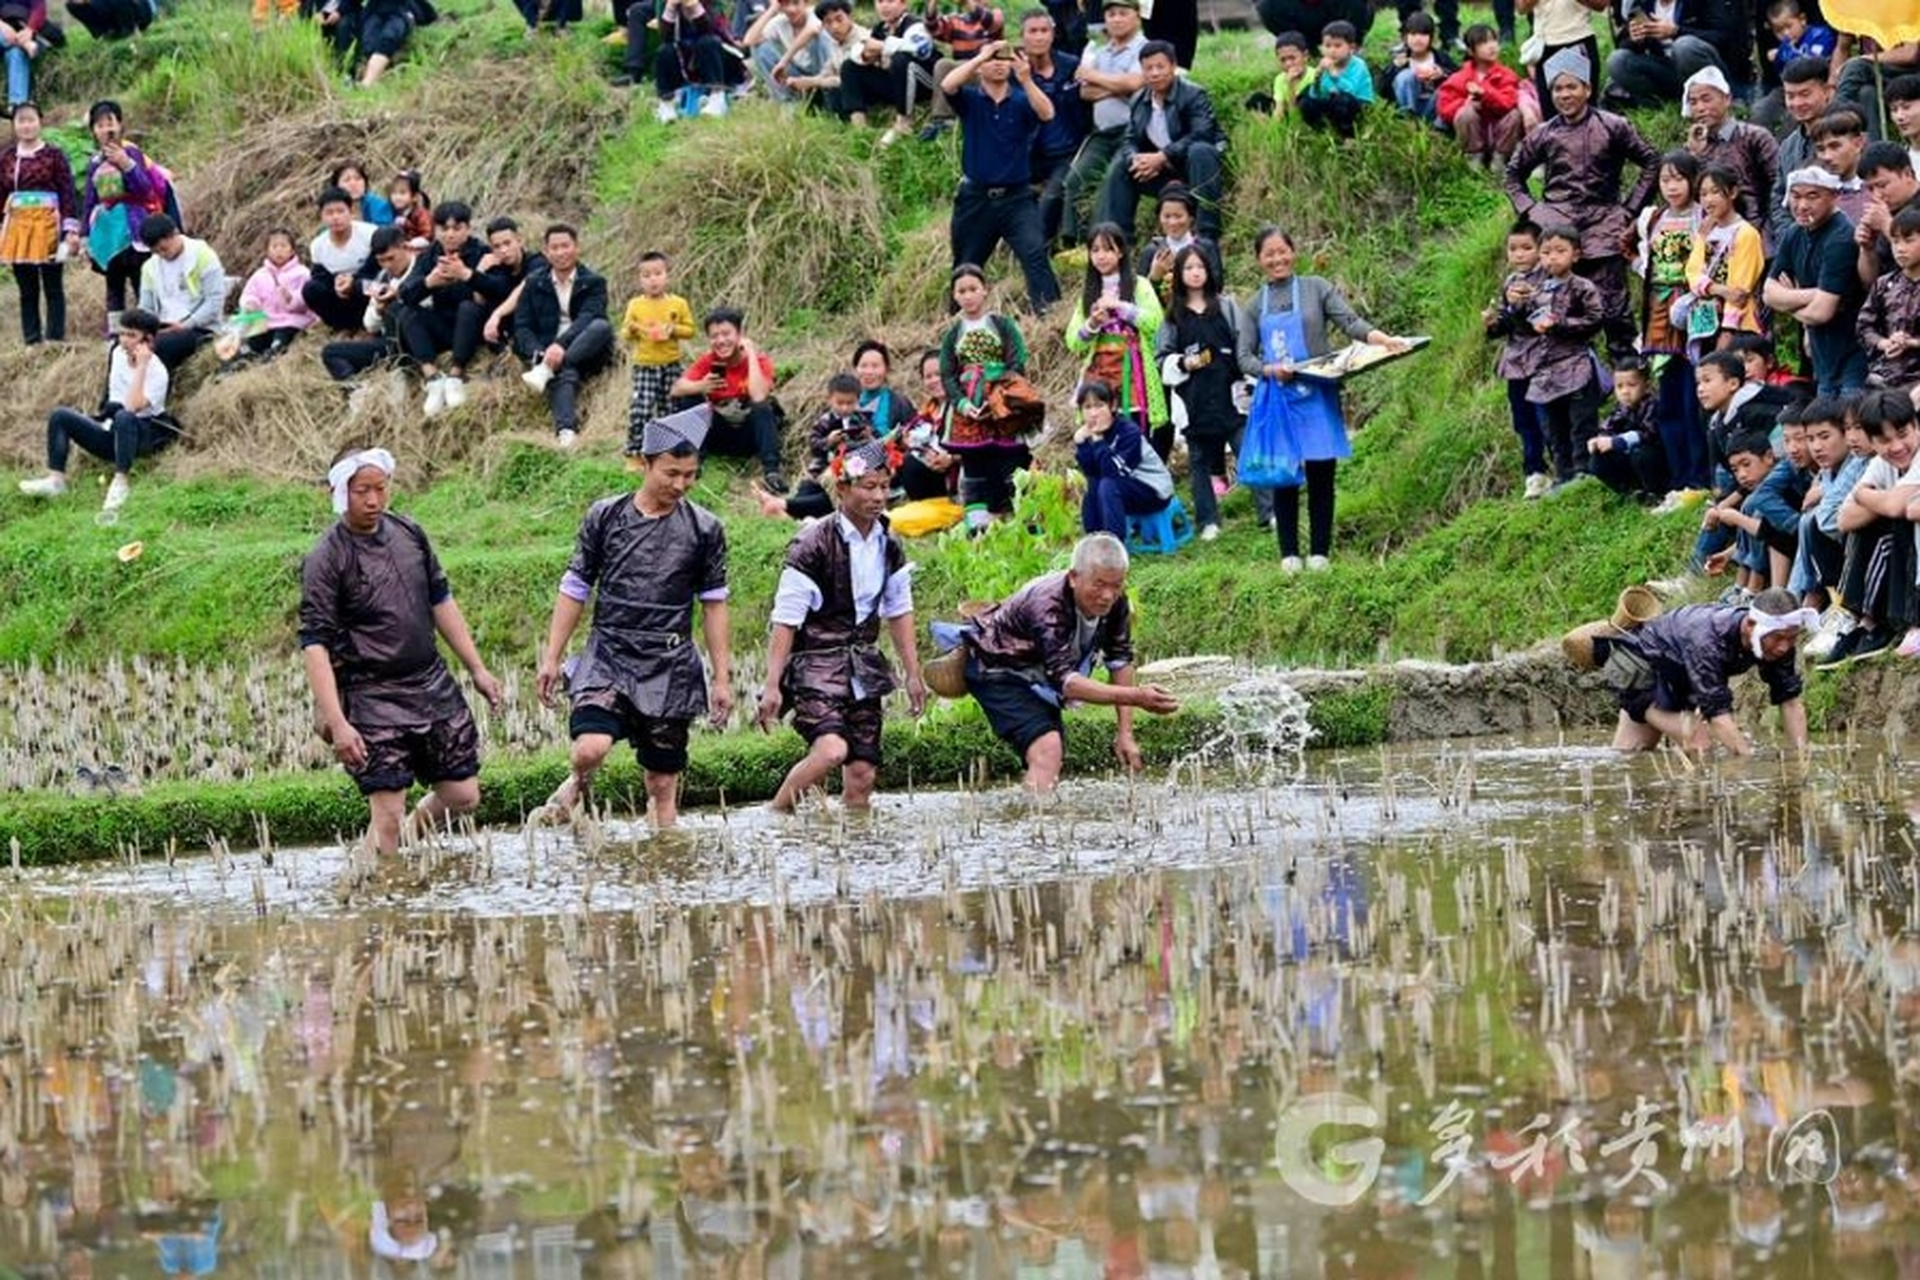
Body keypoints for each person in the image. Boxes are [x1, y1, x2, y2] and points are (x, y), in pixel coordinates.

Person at [536, 406, 733, 829]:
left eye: (690, 474)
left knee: (663, 785)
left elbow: (714, 603)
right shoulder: (605, 516)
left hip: (670, 660)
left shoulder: (705, 529)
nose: (681, 484)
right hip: (611, 652)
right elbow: (575, 587)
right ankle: (578, 780)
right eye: (670, 473)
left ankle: (662, 865)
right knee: (590, 747)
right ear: (645, 464)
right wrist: (552, 657)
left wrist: (721, 677)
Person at [300, 449, 503, 856]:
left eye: (380, 489)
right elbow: (315, 644)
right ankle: (383, 898)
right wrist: (338, 723)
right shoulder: (327, 557)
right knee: (387, 813)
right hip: (370, 692)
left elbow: (441, 601)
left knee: (464, 796)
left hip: (428, 682)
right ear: (340, 492)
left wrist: (477, 669)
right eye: (362, 491)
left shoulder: (409, 533)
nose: (373, 500)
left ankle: (407, 841)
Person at [757, 437, 926, 812]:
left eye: (884, 487)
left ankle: (853, 848)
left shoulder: (888, 542)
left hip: (864, 664)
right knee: (832, 750)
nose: (879, 496)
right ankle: (776, 814)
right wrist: (772, 684)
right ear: (843, 488)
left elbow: (899, 610)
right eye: (869, 487)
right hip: (816, 662)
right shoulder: (813, 542)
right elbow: (785, 619)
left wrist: (913, 674)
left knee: (864, 772)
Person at [1238, 226, 1408, 571]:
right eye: (1269, 254)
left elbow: (1350, 322)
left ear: (1293, 252)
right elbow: (1244, 358)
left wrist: (1383, 339)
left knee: (1321, 473)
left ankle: (1319, 554)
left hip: (1318, 393)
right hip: (1280, 400)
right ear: (1259, 260)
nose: (1277, 259)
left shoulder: (1316, 288)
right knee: (1283, 475)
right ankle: (1288, 555)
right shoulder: (1255, 305)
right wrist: (1270, 370)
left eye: (1282, 251)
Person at [957, 532, 1179, 792]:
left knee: (1050, 754)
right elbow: (1068, 684)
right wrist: (1138, 696)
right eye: (1099, 584)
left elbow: (1119, 660)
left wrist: (1125, 733)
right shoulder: (1047, 604)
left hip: (1039, 675)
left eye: (1116, 585)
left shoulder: (1116, 603)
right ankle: (1036, 827)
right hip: (997, 668)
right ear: (1074, 577)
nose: (1107, 595)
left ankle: (1036, 816)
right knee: (1047, 749)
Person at [1505, 48, 1659, 360]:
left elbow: (1652, 162)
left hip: (1604, 227)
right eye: (1558, 89)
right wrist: (1532, 211)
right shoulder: (1544, 134)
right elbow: (1512, 174)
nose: (1565, 95)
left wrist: (1629, 210)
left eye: (1571, 87)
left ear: (1587, 89)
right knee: (1558, 310)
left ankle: (1629, 385)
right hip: (1557, 231)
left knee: (1616, 312)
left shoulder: (1613, 125)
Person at [1603, 588, 1810, 755]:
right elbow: (1717, 716)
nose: (1784, 647)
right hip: (1640, 670)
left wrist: (1800, 758)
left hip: (1679, 676)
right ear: (1750, 625)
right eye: (1778, 637)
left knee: (1633, 755)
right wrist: (1747, 763)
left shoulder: (1778, 644)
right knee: (1696, 741)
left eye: (1791, 638)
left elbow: (1790, 702)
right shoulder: (1708, 640)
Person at [18, 307, 176, 514]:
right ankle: (56, 480)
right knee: (60, 416)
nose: (124, 340)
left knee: (124, 417)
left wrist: (141, 367)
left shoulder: (157, 372)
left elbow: (131, 407)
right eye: (122, 333)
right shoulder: (118, 354)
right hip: (112, 432)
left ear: (148, 341)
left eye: (132, 335)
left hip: (141, 435)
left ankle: (121, 481)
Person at [942, 37, 1061, 315]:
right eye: (993, 60)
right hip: (976, 198)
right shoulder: (971, 100)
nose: (998, 64)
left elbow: (1047, 113)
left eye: (1003, 59)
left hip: (1017, 198)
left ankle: (1050, 317)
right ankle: (956, 323)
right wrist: (979, 58)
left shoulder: (1021, 100)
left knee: (1034, 254)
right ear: (982, 66)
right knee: (966, 263)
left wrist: (1027, 79)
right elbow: (948, 85)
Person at [1157, 243, 1263, 538]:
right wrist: (1182, 363)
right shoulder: (1173, 317)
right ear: (1179, 274)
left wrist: (1252, 379)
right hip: (1195, 401)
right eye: (1188, 268)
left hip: (1231, 395)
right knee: (1199, 463)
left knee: (1248, 454)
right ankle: (1208, 521)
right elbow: (1162, 360)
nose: (1195, 273)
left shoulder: (1226, 307)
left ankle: (1268, 512)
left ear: (1209, 271)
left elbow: (1247, 345)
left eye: (1199, 267)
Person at [939, 263, 1040, 530]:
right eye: (962, 291)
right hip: (968, 411)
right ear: (955, 296)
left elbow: (1017, 360)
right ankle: (978, 529)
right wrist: (962, 403)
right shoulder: (952, 336)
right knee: (974, 465)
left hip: (1003, 402)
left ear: (985, 290)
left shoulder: (1002, 325)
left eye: (973, 289)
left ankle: (1021, 523)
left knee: (1011, 461)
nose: (968, 295)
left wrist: (998, 394)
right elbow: (947, 375)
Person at [1096, 39, 1223, 244]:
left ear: (1173, 67)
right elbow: (1130, 139)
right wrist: (1137, 160)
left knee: (1201, 150)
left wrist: (1163, 157)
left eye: (1160, 67)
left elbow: (1203, 133)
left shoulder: (1193, 94)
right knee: (1122, 164)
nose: (1154, 73)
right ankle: (1118, 241)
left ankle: (1208, 234)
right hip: (1162, 174)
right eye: (1148, 68)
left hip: (1194, 171)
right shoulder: (1139, 99)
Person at [1066, 222, 1167, 460]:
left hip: (1133, 369)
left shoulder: (1139, 285)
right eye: (1095, 250)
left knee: (1133, 431)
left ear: (1120, 252)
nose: (1101, 256)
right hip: (1099, 371)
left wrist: (1122, 308)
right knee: (1100, 432)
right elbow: (1073, 342)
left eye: (1108, 249)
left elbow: (1157, 324)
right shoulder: (1088, 292)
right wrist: (1092, 324)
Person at [1764, 167, 1867, 397]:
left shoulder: (1841, 236)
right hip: (1822, 358)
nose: (1801, 205)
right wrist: (1815, 294)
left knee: (1848, 426)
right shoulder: (1794, 232)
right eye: (1796, 196)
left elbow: (1821, 312)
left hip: (1853, 357)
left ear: (1834, 196)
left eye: (1812, 196)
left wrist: (1790, 302)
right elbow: (1769, 293)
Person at [514, 224, 613, 449]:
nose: (560, 252)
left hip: (586, 348)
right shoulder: (534, 282)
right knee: (565, 371)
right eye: (554, 248)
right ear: (546, 252)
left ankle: (547, 369)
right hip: (548, 351)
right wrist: (539, 353)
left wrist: (559, 346)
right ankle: (566, 431)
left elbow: (588, 318)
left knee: (601, 326)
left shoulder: (594, 282)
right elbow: (522, 326)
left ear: (576, 248)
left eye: (565, 246)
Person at [670, 308, 786, 492]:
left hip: (750, 435)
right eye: (714, 336)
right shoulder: (709, 361)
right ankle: (693, 460)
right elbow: (676, 388)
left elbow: (759, 396)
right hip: (719, 433)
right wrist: (701, 385)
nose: (721, 341)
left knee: (763, 407)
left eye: (726, 334)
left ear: (739, 335)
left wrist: (751, 355)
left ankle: (772, 471)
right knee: (689, 398)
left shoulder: (760, 361)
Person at [1523, 224, 1604, 485]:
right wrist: (1513, 313)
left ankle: (1586, 472)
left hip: (1576, 366)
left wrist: (1560, 323)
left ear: (1576, 255)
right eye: (1546, 252)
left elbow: (1595, 319)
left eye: (1560, 251)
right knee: (1553, 428)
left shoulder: (1582, 286)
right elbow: (1522, 326)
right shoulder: (1536, 292)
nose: (1552, 257)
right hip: (1544, 371)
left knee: (1581, 423)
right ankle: (1563, 475)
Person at [1059, 0, 1144, 248]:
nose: (1116, 19)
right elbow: (1084, 93)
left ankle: (1108, 244)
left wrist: (1095, 77)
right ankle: (1074, 243)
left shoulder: (1144, 48)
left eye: (1123, 13)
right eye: (1111, 14)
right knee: (1075, 180)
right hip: (1102, 133)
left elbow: (1135, 84)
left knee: (1111, 181)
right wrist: (1119, 86)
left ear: (1137, 16)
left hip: (1131, 133)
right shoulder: (1100, 51)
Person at [82, 100, 170, 335]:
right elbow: (90, 201)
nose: (105, 129)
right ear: (93, 131)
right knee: (113, 285)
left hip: (134, 227)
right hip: (107, 233)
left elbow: (144, 189)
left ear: (120, 125)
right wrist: (84, 237)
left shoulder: (132, 153)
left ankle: (148, 330)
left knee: (141, 280)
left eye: (109, 122)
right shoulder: (94, 163)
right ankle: (116, 334)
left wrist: (126, 163)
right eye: (99, 125)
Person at [0, 100, 80, 346]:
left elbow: (67, 191)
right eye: (21, 120)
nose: (26, 125)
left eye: (30, 119)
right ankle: (32, 339)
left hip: (48, 224)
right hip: (18, 226)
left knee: (53, 285)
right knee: (27, 288)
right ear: (14, 125)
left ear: (40, 121)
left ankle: (55, 337)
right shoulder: (6, 158)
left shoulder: (54, 155)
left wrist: (70, 229)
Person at [396, 200, 486, 416]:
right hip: (442, 324)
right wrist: (429, 283)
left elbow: (493, 289)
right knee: (407, 312)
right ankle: (433, 378)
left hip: (473, 326)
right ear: (435, 230)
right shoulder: (428, 256)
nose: (450, 235)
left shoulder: (481, 252)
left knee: (468, 307)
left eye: (457, 228)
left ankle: (456, 375)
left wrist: (466, 276)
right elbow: (405, 292)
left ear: (468, 229)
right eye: (444, 229)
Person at [1486, 219, 1551, 498]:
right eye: (1513, 248)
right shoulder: (1510, 282)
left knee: (1545, 416)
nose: (1519, 254)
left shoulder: (1547, 279)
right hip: (1514, 362)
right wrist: (1492, 323)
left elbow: (1537, 322)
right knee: (1523, 420)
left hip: (1542, 357)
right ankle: (1534, 472)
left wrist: (1520, 306)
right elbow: (1504, 326)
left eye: (1527, 247)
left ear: (1540, 249)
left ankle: (1563, 467)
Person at [754, 372, 875, 519]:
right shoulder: (824, 421)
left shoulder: (862, 420)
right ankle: (788, 510)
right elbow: (814, 445)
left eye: (849, 403)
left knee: (832, 497)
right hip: (821, 471)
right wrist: (828, 442)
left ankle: (782, 505)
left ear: (858, 400)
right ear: (830, 400)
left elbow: (873, 447)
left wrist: (868, 437)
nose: (844, 408)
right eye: (840, 403)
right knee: (807, 489)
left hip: (847, 475)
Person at [1679, 67, 1777, 234]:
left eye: (1706, 99)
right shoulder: (1694, 145)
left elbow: (1778, 186)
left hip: (1757, 230)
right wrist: (1695, 155)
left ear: (1727, 99)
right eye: (1693, 102)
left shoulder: (1755, 137)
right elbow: (1690, 197)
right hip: (1712, 233)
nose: (1700, 108)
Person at [1601, 0, 1749, 110]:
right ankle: (1660, 105)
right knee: (1617, 60)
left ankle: (1713, 101)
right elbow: (1625, 47)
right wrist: (1634, 39)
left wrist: (1676, 31)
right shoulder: (1644, 4)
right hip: (1668, 70)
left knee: (1684, 46)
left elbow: (1722, 38)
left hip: (1706, 68)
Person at [621, 250, 696, 467]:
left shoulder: (678, 304)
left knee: (669, 409)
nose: (653, 279)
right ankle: (635, 454)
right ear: (639, 279)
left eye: (657, 273)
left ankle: (667, 452)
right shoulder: (635, 305)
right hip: (645, 365)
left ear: (667, 275)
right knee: (641, 409)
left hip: (671, 363)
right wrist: (634, 329)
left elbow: (690, 330)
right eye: (646, 275)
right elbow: (625, 332)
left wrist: (673, 329)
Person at [1072, 378, 1172, 537]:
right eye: (1087, 407)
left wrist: (1098, 442)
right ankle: (1093, 538)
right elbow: (1091, 470)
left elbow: (1113, 472)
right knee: (1092, 482)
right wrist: (1081, 443)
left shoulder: (1129, 432)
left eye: (1099, 405)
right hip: (1122, 489)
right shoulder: (1090, 433)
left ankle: (1113, 543)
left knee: (1108, 484)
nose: (1093, 413)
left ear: (1112, 406)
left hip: (1152, 491)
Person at [1018, 9, 1082, 243]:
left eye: (1044, 31)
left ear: (1053, 34)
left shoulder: (1071, 65)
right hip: (1029, 152)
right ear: (1022, 37)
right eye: (1032, 31)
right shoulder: (1013, 72)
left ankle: (1039, 251)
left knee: (1052, 197)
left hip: (1067, 152)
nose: (1039, 37)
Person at [1437, 24, 1537, 169]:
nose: (1491, 46)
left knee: (1514, 114)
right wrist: (1467, 103)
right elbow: (1444, 109)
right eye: (1483, 43)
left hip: (1500, 135)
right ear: (1471, 51)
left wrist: (1485, 94)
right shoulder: (1460, 77)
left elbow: (1508, 103)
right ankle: (1474, 158)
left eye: (1493, 41)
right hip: (1474, 136)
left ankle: (1500, 160)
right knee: (1466, 113)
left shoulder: (1506, 75)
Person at [135, 214, 226, 372]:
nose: (162, 255)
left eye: (164, 249)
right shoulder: (150, 267)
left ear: (174, 234)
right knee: (122, 346)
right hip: (165, 325)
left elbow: (214, 301)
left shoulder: (203, 256)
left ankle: (157, 393)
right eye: (156, 252)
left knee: (161, 347)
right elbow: (146, 306)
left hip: (200, 328)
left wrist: (185, 325)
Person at [836, 0, 937, 130]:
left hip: (924, 83)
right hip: (898, 85)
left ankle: (904, 122)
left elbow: (921, 49)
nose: (884, 6)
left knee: (900, 59)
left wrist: (883, 46)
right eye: (879, 1)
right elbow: (858, 50)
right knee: (850, 67)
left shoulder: (915, 25)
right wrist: (866, 55)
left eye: (890, 1)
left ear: (903, 4)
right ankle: (859, 126)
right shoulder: (881, 28)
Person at [1586, 355, 1668, 500]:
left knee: (1641, 454)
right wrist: (1599, 440)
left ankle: (1655, 492)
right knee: (1597, 460)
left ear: (1647, 385)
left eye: (1631, 385)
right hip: (1629, 458)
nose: (1625, 391)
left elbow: (1650, 433)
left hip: (1654, 458)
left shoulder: (1652, 404)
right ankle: (1629, 491)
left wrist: (1618, 441)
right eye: (1620, 386)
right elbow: (1608, 427)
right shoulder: (1620, 408)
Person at [652, 0, 747, 123]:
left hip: (719, 54)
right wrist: (670, 7)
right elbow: (665, 37)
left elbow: (712, 30)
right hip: (686, 57)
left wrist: (694, 6)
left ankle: (717, 97)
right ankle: (666, 103)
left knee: (707, 42)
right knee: (664, 50)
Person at [302, 186, 379, 335]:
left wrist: (353, 281)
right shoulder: (317, 245)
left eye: (340, 211)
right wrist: (337, 284)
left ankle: (368, 324)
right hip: (339, 292)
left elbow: (377, 268)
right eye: (329, 213)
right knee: (310, 289)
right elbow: (319, 277)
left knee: (368, 285)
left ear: (351, 212)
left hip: (366, 287)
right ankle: (342, 327)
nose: (335, 217)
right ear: (321, 217)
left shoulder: (370, 234)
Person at [1859, 205, 1920, 392]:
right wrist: (1884, 342)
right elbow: (1864, 327)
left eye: (1909, 240)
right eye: (1895, 242)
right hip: (1884, 375)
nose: (1901, 249)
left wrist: (1911, 342)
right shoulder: (1884, 284)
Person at [233, 227, 315, 358]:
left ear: (292, 250)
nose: (279, 250)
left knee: (279, 343)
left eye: (283, 246)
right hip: (266, 322)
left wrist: (292, 298)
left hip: (290, 322)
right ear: (267, 251)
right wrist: (250, 303)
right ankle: (239, 362)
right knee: (252, 345)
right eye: (274, 246)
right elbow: (249, 294)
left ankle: (272, 355)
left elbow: (309, 299)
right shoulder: (260, 275)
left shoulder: (302, 273)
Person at [743, 0, 830, 105]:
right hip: (798, 76)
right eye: (786, 4)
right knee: (759, 48)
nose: (791, 9)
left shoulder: (815, 13)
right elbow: (749, 40)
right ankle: (788, 102)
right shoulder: (780, 22)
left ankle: (828, 97)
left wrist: (784, 60)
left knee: (820, 37)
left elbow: (811, 31)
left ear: (805, 3)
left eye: (796, 3)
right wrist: (772, 9)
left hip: (823, 75)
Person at [1296, 19, 1373, 136]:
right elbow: (1317, 95)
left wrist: (1333, 74)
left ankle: (1348, 136)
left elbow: (1350, 91)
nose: (1332, 51)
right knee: (1306, 100)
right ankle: (1321, 130)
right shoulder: (1325, 65)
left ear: (1351, 48)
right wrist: (1317, 78)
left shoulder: (1358, 65)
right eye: (1327, 46)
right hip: (1333, 102)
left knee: (1343, 100)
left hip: (1357, 104)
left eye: (1338, 46)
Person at [1857, 143, 1919, 287]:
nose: (1877, 195)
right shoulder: (1885, 211)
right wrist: (1867, 249)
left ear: (1907, 174)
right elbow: (1869, 281)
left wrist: (1887, 225)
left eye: (1882, 185)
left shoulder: (1886, 217)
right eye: (1870, 189)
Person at [1384, 10, 1452, 124]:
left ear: (1432, 38)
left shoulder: (1441, 57)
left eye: (1423, 34)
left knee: (1446, 88)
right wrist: (1394, 67)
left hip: (1432, 105)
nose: (1418, 39)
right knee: (1406, 76)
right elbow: (1383, 90)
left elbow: (1458, 77)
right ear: (1405, 37)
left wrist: (1442, 73)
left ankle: (1438, 125)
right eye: (1413, 34)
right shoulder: (1401, 59)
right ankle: (1408, 117)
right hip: (1407, 104)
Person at [0, 0, 50, 111]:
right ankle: (24, 45)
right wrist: (2, 26)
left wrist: (30, 29)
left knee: (16, 53)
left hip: (18, 33)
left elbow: (39, 9)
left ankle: (17, 105)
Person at [64, 0, 150, 40]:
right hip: (111, 19)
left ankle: (132, 30)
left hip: (139, 12)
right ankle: (104, 33)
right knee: (71, 5)